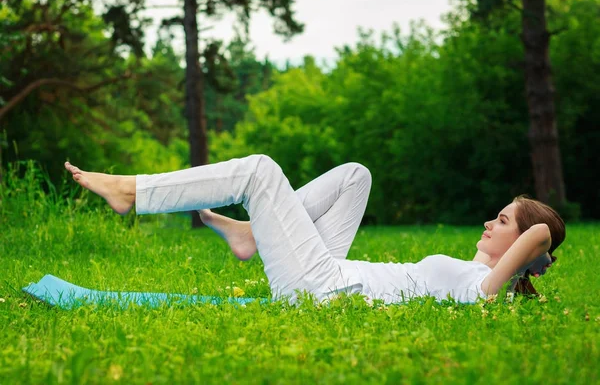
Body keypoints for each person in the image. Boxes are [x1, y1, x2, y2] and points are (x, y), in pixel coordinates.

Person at [64, 155, 565, 305]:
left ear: (520, 247)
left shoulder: (483, 289)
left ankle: (133, 192)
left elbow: (540, 237)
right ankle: (252, 236)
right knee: (357, 176)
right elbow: (531, 239)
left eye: (501, 221)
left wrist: (531, 255)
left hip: (320, 287)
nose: (487, 222)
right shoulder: (475, 274)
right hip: (330, 271)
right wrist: (522, 256)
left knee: (259, 170)